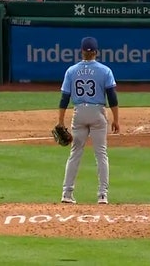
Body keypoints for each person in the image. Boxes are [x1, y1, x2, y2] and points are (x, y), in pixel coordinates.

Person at [58, 37, 120, 205]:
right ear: (96, 52)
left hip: (79, 113)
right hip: (97, 113)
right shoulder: (105, 70)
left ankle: (67, 193)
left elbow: (64, 98)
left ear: (82, 52)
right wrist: (116, 119)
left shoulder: (71, 71)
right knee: (101, 154)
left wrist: (60, 121)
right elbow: (112, 97)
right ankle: (102, 195)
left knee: (75, 153)